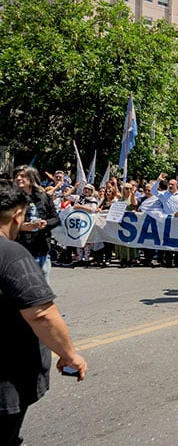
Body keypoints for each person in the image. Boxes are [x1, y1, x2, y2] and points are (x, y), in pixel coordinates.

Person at [0, 183, 87, 444]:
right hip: (6, 380)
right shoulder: (11, 254)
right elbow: (42, 314)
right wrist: (69, 355)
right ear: (18, 215)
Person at [13, 166, 59, 284]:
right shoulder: (11, 199)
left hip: (41, 248)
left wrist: (46, 223)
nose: (18, 178)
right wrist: (21, 227)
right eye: (16, 176)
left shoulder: (44, 197)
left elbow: (56, 219)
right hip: (19, 249)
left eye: (23, 176)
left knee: (43, 288)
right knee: (22, 286)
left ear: (32, 178)